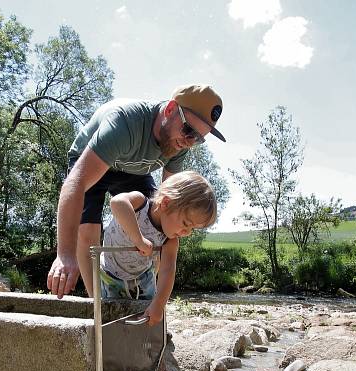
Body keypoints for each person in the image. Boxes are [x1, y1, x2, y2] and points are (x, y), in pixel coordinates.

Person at [47, 84, 226, 298]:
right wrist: (65, 254)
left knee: (157, 226)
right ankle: (98, 303)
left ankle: (141, 292)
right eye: (188, 130)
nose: (189, 142)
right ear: (170, 109)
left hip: (133, 169)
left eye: (197, 138)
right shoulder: (124, 123)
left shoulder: (179, 144)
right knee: (88, 232)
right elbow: (75, 183)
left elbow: (168, 204)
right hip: (93, 159)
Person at [100, 171, 216, 325]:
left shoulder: (169, 240)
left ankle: (149, 340)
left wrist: (159, 304)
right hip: (110, 273)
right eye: (186, 224)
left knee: (148, 313)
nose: (187, 233)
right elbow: (117, 202)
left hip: (143, 278)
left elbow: (168, 270)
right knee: (109, 316)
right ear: (166, 203)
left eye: (192, 229)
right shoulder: (140, 203)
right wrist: (139, 239)